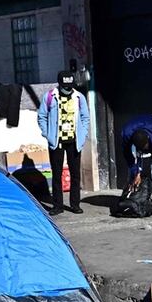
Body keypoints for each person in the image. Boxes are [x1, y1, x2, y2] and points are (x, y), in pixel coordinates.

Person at [38, 70, 89, 215]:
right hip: (56, 141)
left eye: (70, 86)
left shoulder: (79, 97)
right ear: (59, 84)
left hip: (74, 141)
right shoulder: (50, 96)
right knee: (57, 174)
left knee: (75, 174)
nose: (67, 89)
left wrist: (83, 135)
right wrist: (47, 134)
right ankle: (57, 206)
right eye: (65, 86)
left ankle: (75, 204)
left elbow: (85, 117)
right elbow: (42, 116)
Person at [120, 110, 152, 215]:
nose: (144, 151)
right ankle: (135, 198)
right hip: (136, 127)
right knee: (133, 172)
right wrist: (136, 173)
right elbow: (128, 155)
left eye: (145, 148)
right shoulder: (126, 134)